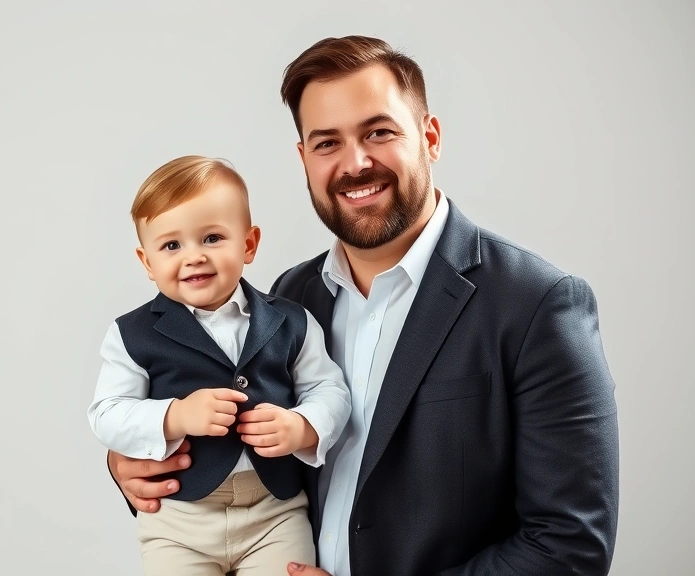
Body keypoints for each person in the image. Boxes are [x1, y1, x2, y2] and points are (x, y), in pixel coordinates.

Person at [108, 36, 620, 576]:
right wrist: (137, 460)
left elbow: (568, 547)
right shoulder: (289, 299)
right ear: (304, 159)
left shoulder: (537, 304)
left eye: (378, 132)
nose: (356, 164)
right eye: (327, 143)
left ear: (430, 137)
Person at [88, 155, 351, 576]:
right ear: (147, 262)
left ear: (248, 244)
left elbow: (329, 389)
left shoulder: (292, 320)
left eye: (212, 238)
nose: (193, 257)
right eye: (172, 245)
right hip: (179, 523)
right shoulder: (130, 334)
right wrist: (175, 415)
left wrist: (303, 426)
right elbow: (106, 414)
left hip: (275, 513)